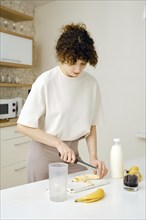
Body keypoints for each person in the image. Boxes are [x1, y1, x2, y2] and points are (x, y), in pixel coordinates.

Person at [17, 23, 108, 183]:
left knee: (78, 196)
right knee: (40, 205)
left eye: (83, 63)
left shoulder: (91, 84)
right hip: (43, 156)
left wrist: (93, 157)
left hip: (72, 156)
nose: (78, 69)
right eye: (72, 62)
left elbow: (91, 126)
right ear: (62, 55)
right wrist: (58, 143)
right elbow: (23, 126)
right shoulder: (46, 81)